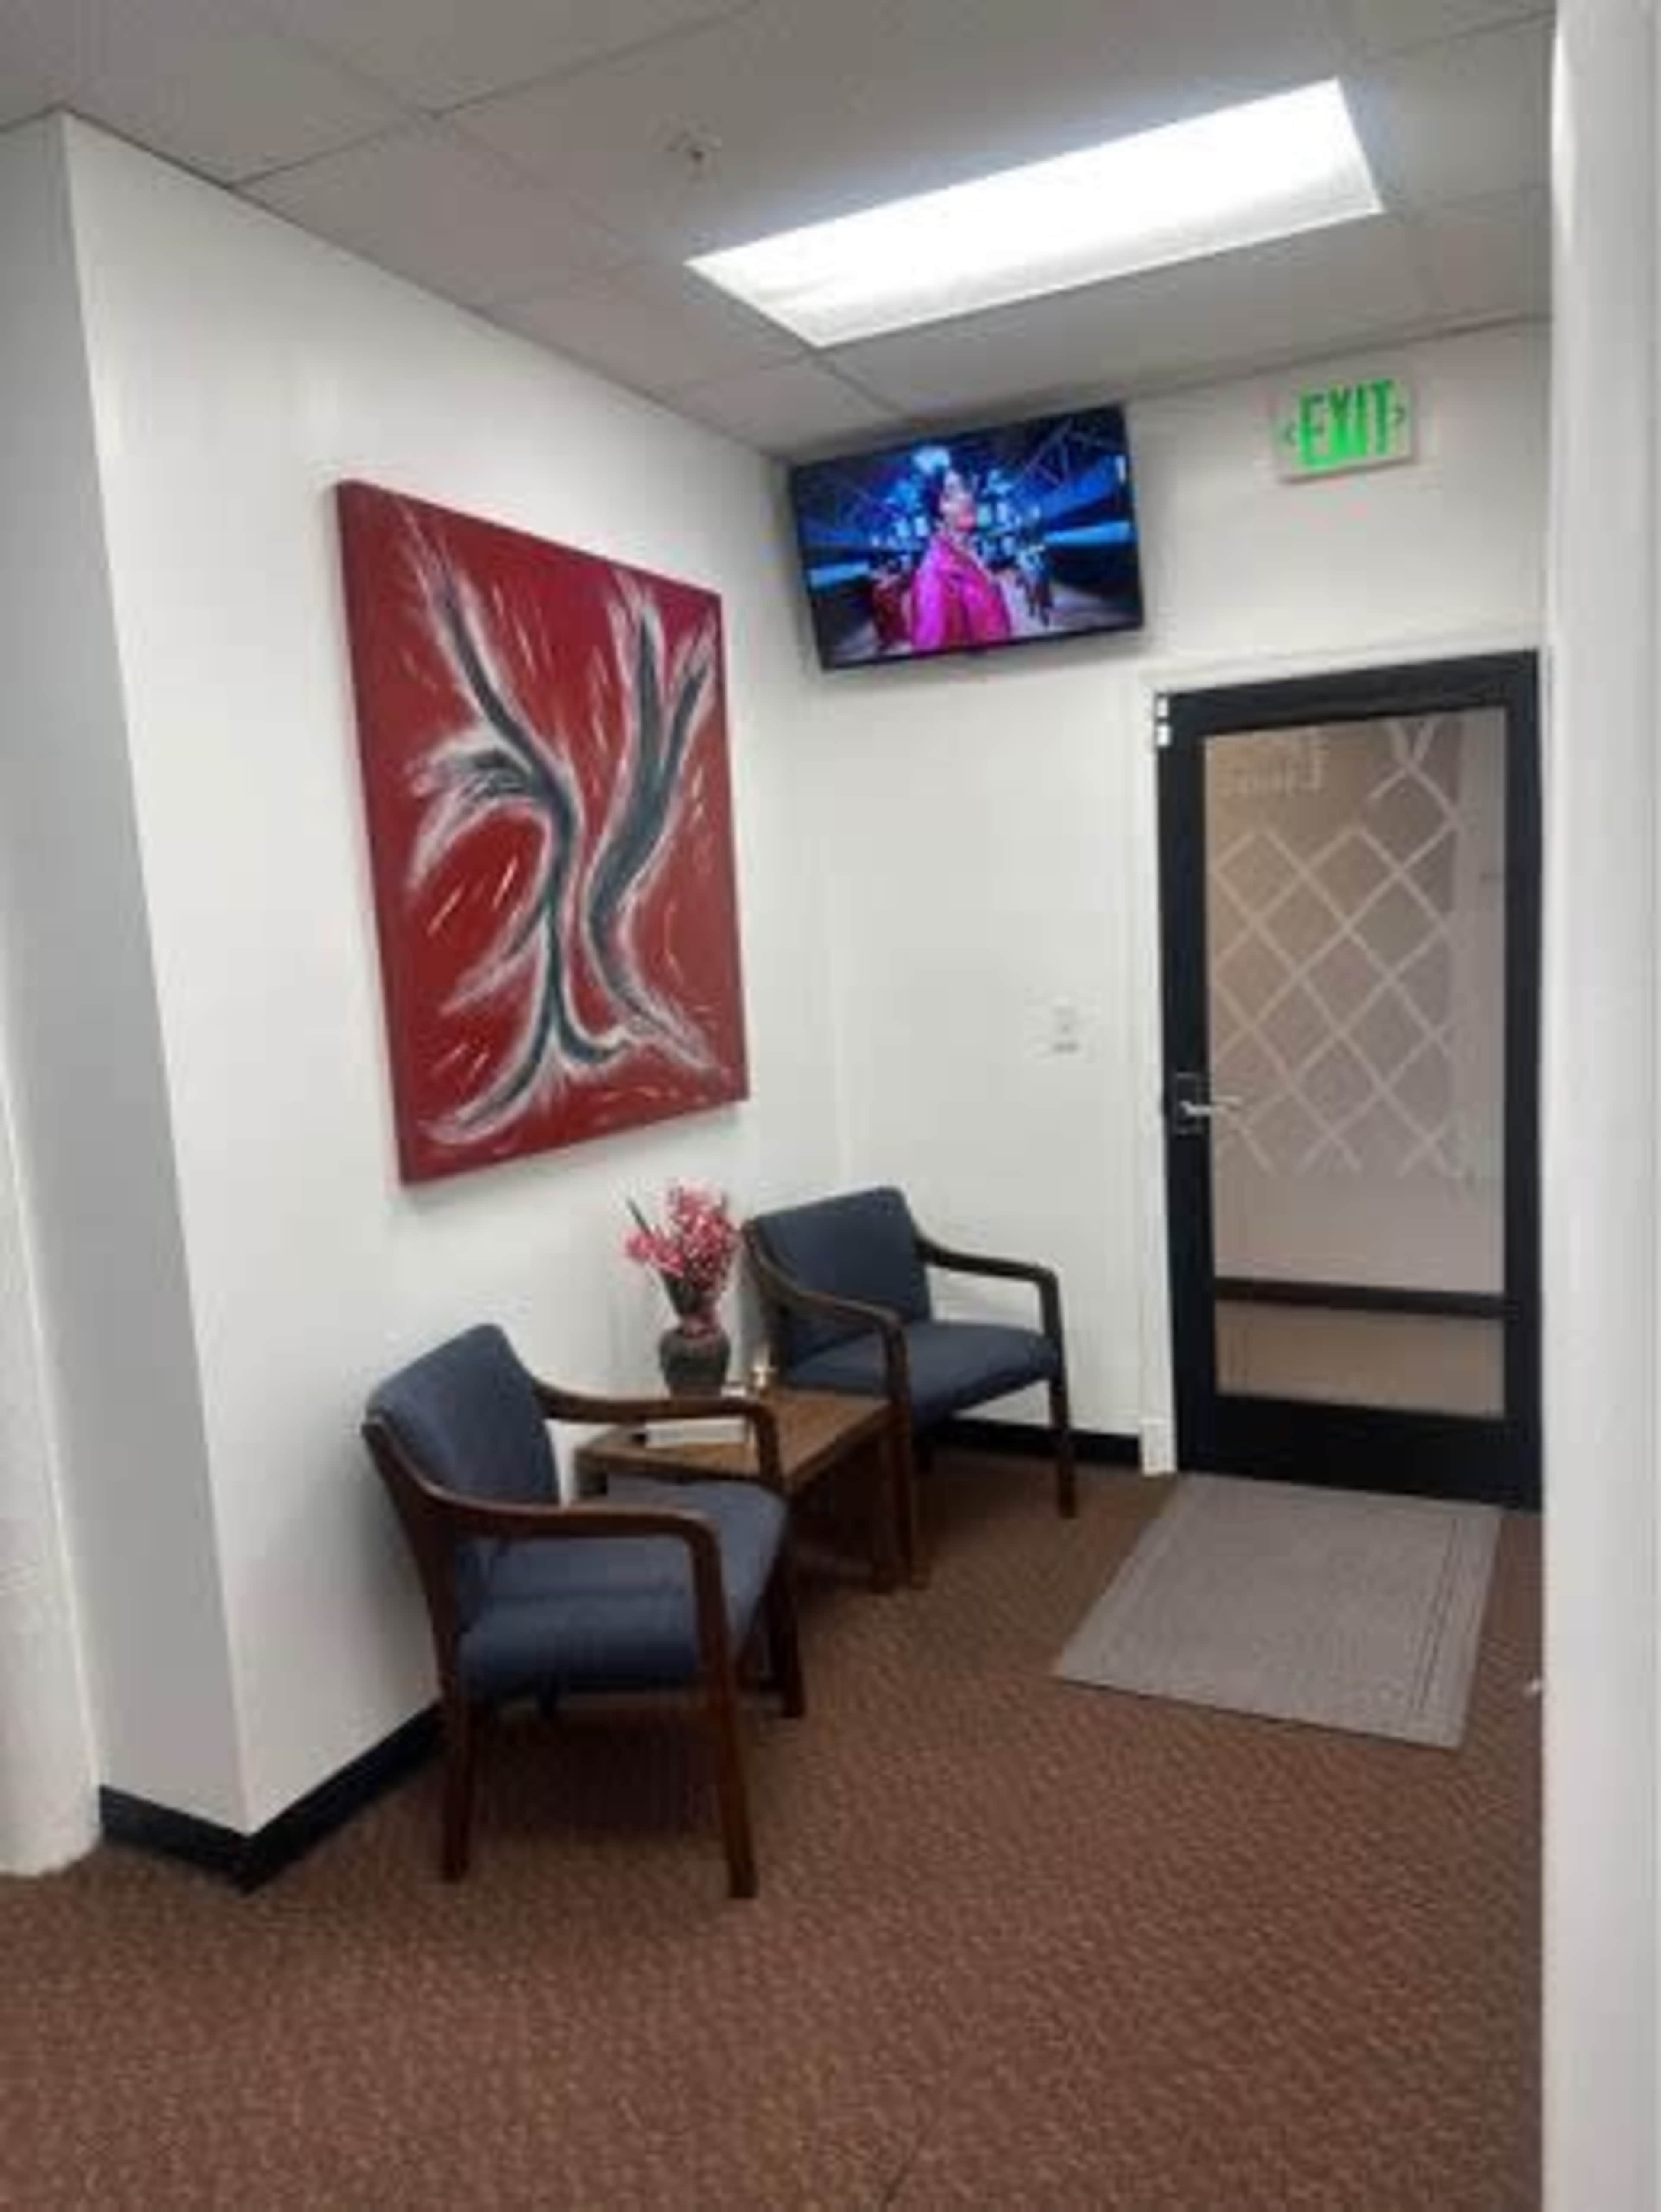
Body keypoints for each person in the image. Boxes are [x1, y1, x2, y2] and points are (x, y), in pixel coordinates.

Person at [907, 461, 1013, 653]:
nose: (965, 498)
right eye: (949, 496)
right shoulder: (936, 574)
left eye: (964, 489)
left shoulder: (968, 552)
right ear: (937, 512)